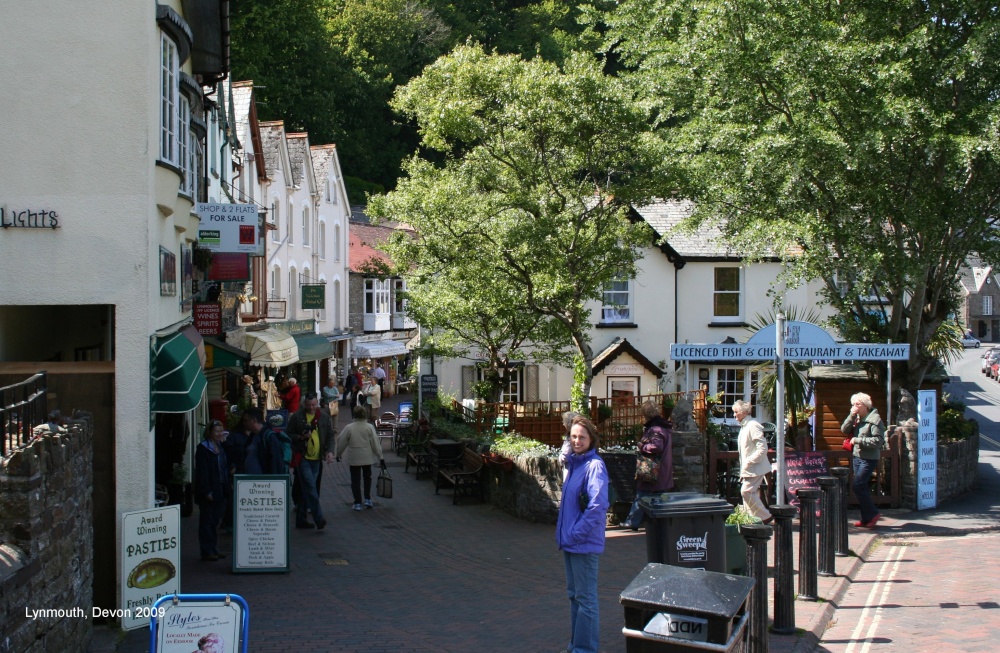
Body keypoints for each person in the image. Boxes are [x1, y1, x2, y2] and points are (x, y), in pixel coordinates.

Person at [556, 415, 609, 653]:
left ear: (591, 439)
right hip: (570, 541)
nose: (577, 441)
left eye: (582, 437)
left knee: (585, 599)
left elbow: (597, 506)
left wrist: (576, 533)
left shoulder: (594, 466)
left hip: (582, 543)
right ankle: (576, 645)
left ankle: (585, 649)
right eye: (573, 436)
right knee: (574, 596)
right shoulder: (575, 463)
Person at [286, 393, 337, 530]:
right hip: (302, 458)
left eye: (313, 405)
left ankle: (301, 520)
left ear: (317, 403)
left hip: (317, 459)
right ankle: (319, 519)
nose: (311, 408)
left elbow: (330, 436)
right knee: (310, 487)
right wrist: (301, 437)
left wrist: (330, 451)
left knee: (307, 489)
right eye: (308, 405)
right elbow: (288, 434)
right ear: (304, 404)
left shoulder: (324, 417)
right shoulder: (297, 417)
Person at [623, 400, 674, 530]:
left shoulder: (655, 429)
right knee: (659, 497)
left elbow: (656, 447)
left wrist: (642, 446)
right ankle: (661, 523)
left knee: (641, 496)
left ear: (645, 413)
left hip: (652, 470)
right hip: (662, 470)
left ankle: (632, 522)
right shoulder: (663, 427)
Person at [841, 392, 885, 528]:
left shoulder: (875, 420)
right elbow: (844, 429)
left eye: (858, 404)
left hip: (869, 458)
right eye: (853, 404)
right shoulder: (856, 418)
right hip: (857, 456)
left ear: (865, 406)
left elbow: (878, 441)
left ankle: (873, 514)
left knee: (857, 485)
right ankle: (866, 518)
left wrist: (858, 440)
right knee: (862, 487)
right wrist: (851, 415)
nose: (855, 406)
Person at [336, 405, 385, 511]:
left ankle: (357, 502)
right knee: (367, 478)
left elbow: (342, 441)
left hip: (354, 457)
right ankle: (367, 499)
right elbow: (375, 443)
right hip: (367, 457)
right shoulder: (369, 427)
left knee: (355, 480)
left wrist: (338, 453)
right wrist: (380, 457)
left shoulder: (349, 427)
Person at [733, 400, 773, 524]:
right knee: (748, 494)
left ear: (744, 413)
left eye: (736, 412)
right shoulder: (745, 426)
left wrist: (749, 461)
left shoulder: (753, 425)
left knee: (746, 491)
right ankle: (752, 520)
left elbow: (763, 448)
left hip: (755, 467)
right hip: (749, 468)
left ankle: (766, 517)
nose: (734, 415)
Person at [195, 420, 229, 561]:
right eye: (216, 431)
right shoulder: (203, 448)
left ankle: (213, 548)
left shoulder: (220, 446)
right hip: (209, 490)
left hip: (220, 488)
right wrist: (206, 491)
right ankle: (207, 550)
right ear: (209, 432)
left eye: (221, 431)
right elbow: (202, 472)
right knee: (207, 521)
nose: (219, 434)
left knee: (215, 520)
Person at [242, 408, 286, 475]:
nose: (243, 423)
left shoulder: (269, 437)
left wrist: (274, 481)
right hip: (252, 482)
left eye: (245, 420)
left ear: (254, 420)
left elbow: (276, 463)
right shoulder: (252, 435)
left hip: (265, 483)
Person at [558, 410, 580, 482]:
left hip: (571, 468)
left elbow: (565, 456)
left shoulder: (571, 437)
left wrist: (560, 458)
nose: (563, 423)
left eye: (564, 421)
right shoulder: (576, 435)